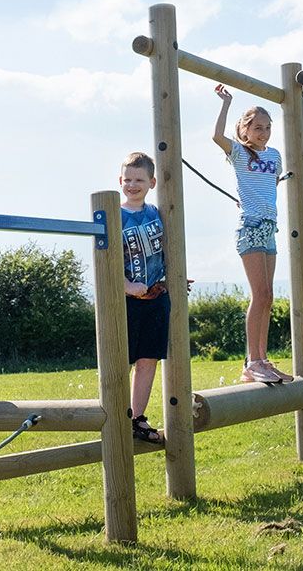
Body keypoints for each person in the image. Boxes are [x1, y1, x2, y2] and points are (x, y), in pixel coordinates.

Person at [211, 84, 292, 385]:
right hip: (251, 228)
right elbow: (217, 137)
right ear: (244, 131)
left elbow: (270, 188)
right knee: (260, 295)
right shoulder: (240, 153)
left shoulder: (274, 155)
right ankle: (252, 361)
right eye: (257, 128)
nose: (264, 133)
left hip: (270, 228)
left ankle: (262, 359)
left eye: (268, 128)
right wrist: (226, 104)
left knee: (268, 297)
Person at [117, 152, 168, 445]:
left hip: (155, 295)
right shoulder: (115, 213)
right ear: (120, 181)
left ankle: (137, 416)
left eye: (139, 179)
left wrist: (172, 279)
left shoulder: (157, 213)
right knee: (123, 358)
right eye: (128, 179)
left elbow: (163, 251)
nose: (133, 185)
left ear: (152, 182)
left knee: (149, 358)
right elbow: (106, 258)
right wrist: (125, 284)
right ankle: (114, 412)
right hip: (125, 298)